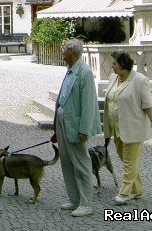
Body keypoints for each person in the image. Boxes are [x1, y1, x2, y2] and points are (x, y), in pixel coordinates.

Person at [50, 39, 101, 218]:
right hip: (64, 121)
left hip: (76, 124)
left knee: (81, 163)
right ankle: (74, 199)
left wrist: (84, 129)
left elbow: (88, 104)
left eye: (64, 49)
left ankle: (86, 203)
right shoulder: (70, 70)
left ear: (70, 51)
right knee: (66, 160)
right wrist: (56, 124)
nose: (62, 51)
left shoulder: (84, 72)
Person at [103, 50, 152, 205]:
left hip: (133, 128)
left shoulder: (140, 80)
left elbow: (148, 104)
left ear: (122, 65)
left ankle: (124, 193)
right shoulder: (113, 78)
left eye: (114, 63)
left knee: (129, 162)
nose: (112, 66)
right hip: (116, 129)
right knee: (127, 160)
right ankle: (136, 189)